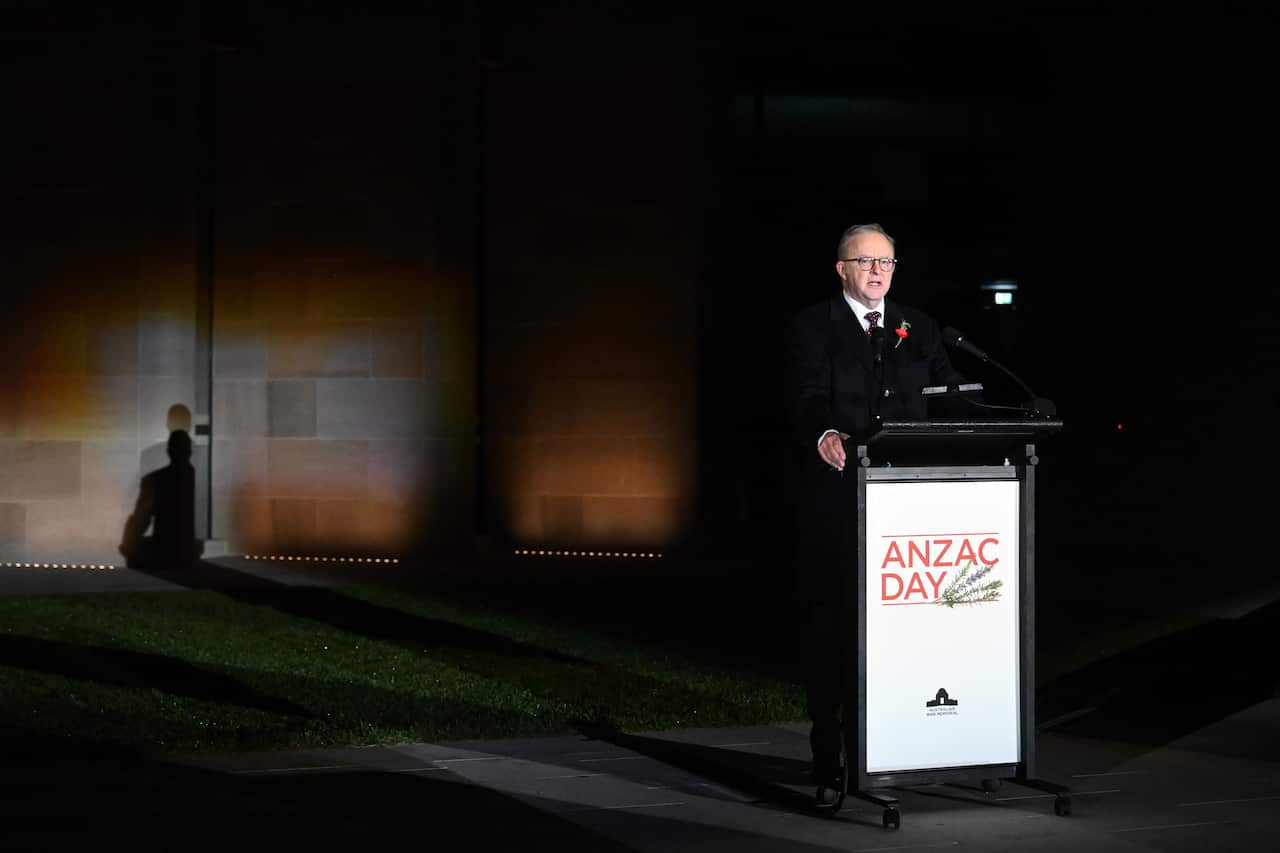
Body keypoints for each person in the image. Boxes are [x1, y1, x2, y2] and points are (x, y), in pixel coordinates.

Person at [783, 223, 970, 793]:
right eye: (864, 261)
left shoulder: (919, 327)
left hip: (909, 508)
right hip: (840, 507)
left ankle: (902, 743)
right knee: (834, 630)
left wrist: (997, 417)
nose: (876, 272)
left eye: (886, 263)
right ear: (842, 268)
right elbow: (807, 397)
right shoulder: (813, 326)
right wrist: (825, 435)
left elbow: (951, 392)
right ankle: (828, 753)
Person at [120, 429, 202, 570]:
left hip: (164, 549)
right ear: (190, 452)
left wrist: (128, 545)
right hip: (190, 549)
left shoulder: (156, 480)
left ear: (169, 451)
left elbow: (141, 517)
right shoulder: (200, 480)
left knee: (135, 551)